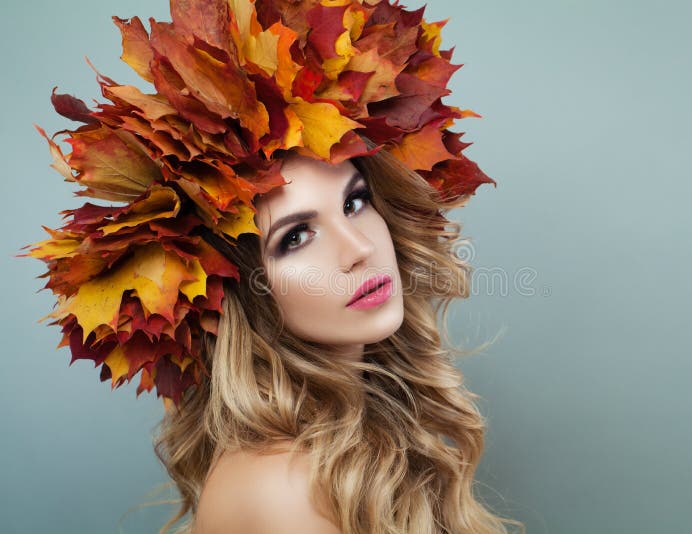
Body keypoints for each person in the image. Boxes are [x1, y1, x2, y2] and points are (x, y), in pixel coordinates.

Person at [25, 0, 525, 532]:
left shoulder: (349, 444)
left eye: (354, 202)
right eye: (297, 237)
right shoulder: (283, 488)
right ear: (236, 289)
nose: (358, 247)